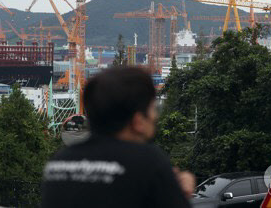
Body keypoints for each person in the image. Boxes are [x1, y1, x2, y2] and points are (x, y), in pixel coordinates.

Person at [41, 67, 195, 208]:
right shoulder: (147, 161)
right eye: (153, 109)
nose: (155, 116)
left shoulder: (58, 163)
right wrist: (181, 193)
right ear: (138, 121)